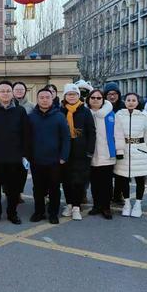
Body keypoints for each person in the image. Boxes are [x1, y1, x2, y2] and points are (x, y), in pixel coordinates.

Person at [0, 80, 29, 225]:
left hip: (15, 156)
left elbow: (26, 133)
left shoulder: (20, 111)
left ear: (12, 93)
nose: (5, 93)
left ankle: (12, 213)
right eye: (2, 91)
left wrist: (24, 153)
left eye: (8, 91)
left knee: (13, 188)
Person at [28, 88, 70, 224]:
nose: (44, 100)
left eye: (47, 97)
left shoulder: (59, 116)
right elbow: (27, 138)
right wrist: (28, 155)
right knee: (38, 188)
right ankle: (39, 212)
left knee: (54, 188)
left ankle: (53, 213)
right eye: (42, 97)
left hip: (55, 160)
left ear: (52, 99)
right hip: (36, 159)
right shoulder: (31, 116)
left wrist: (64, 156)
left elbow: (66, 138)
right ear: (38, 99)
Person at [60, 83, 96, 221]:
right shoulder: (61, 111)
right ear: (65, 96)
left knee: (79, 180)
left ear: (78, 96)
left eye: (74, 94)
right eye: (69, 94)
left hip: (81, 152)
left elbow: (91, 132)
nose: (72, 97)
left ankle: (76, 206)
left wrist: (90, 151)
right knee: (67, 180)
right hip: (65, 151)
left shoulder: (85, 111)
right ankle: (69, 204)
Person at [114, 92, 147, 218]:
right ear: (124, 101)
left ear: (137, 102)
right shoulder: (119, 115)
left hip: (139, 150)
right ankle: (126, 203)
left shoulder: (144, 116)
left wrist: (140, 145)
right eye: (128, 100)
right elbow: (116, 132)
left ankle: (138, 204)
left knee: (140, 179)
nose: (131, 102)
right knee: (124, 179)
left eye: (133, 100)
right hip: (123, 150)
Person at [86, 89, 116, 219]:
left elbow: (118, 133)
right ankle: (97, 205)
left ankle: (106, 207)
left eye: (99, 98)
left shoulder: (110, 114)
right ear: (89, 99)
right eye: (93, 97)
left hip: (106, 153)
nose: (96, 100)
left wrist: (118, 150)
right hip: (91, 154)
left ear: (103, 99)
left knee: (107, 183)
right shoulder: (85, 114)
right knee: (95, 182)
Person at [12, 81, 34, 205]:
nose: (19, 91)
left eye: (21, 89)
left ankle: (19, 193)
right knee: (10, 170)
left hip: (25, 142)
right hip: (10, 143)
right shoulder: (8, 104)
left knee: (22, 170)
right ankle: (10, 192)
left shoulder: (31, 106)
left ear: (25, 91)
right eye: (17, 89)